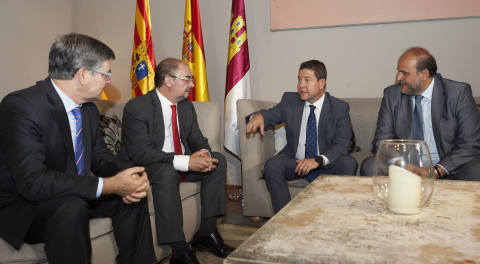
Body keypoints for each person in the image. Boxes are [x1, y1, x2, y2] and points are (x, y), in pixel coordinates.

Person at [0, 33, 157, 263]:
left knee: (132, 197)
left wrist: (128, 177)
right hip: (28, 207)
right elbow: (33, 183)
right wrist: (110, 185)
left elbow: (101, 158)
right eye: (106, 73)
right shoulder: (22, 107)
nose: (109, 81)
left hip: (73, 193)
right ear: (83, 74)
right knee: (72, 208)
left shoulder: (89, 110)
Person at [120, 58, 234, 264]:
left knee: (218, 161)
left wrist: (204, 155)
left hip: (180, 162)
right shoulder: (137, 107)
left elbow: (197, 138)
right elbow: (140, 152)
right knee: (166, 172)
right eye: (187, 79)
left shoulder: (185, 107)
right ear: (168, 81)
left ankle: (206, 233)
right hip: (148, 166)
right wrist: (185, 161)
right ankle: (180, 251)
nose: (192, 84)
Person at [246, 60, 358, 214]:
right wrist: (258, 116)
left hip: (325, 163)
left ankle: (337, 217)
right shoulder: (290, 100)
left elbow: (342, 145)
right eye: (299, 79)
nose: (301, 85)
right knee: (273, 165)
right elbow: (272, 114)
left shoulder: (339, 107)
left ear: (322, 83)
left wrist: (318, 160)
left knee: (348, 163)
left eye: (307, 80)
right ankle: (283, 220)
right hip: (296, 162)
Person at [360, 47, 480, 181]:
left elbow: (471, 142)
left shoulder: (457, 93)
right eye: (398, 72)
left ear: (424, 74)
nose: (399, 77)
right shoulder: (392, 95)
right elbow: (382, 139)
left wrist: (437, 171)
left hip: (448, 167)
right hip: (406, 167)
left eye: (404, 73)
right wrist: (403, 165)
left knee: (476, 171)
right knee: (369, 165)